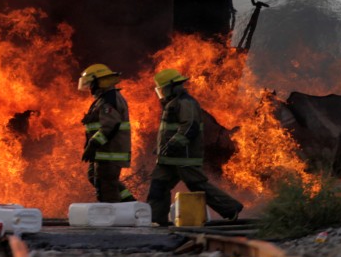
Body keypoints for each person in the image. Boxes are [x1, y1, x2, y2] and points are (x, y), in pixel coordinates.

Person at [146, 68, 243, 226]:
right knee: (158, 186)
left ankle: (231, 208)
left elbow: (190, 127)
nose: (161, 93)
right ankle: (155, 219)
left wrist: (173, 144)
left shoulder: (186, 103)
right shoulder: (173, 103)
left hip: (184, 156)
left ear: (171, 86)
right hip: (169, 158)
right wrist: (162, 148)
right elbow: (169, 131)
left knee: (197, 185)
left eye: (162, 89)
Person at [77, 63, 136, 203]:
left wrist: (93, 144)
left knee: (106, 186)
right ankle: (130, 204)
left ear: (99, 82)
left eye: (91, 84)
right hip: (103, 152)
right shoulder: (104, 99)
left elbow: (110, 126)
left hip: (109, 152)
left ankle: (114, 218)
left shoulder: (109, 99)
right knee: (96, 178)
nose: (90, 88)